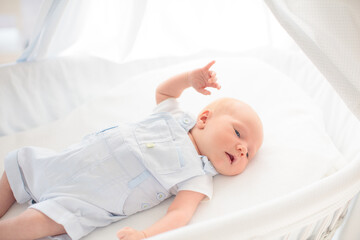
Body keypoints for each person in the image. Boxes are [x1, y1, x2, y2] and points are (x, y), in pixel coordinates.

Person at [0, 61, 263, 240]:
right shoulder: (174, 116)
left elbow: (180, 214)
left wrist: (145, 234)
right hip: (74, 160)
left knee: (43, 222)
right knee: (21, 167)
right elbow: (164, 92)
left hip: (89, 200)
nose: (242, 149)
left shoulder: (198, 177)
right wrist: (188, 79)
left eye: (249, 154)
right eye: (238, 133)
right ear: (204, 118)